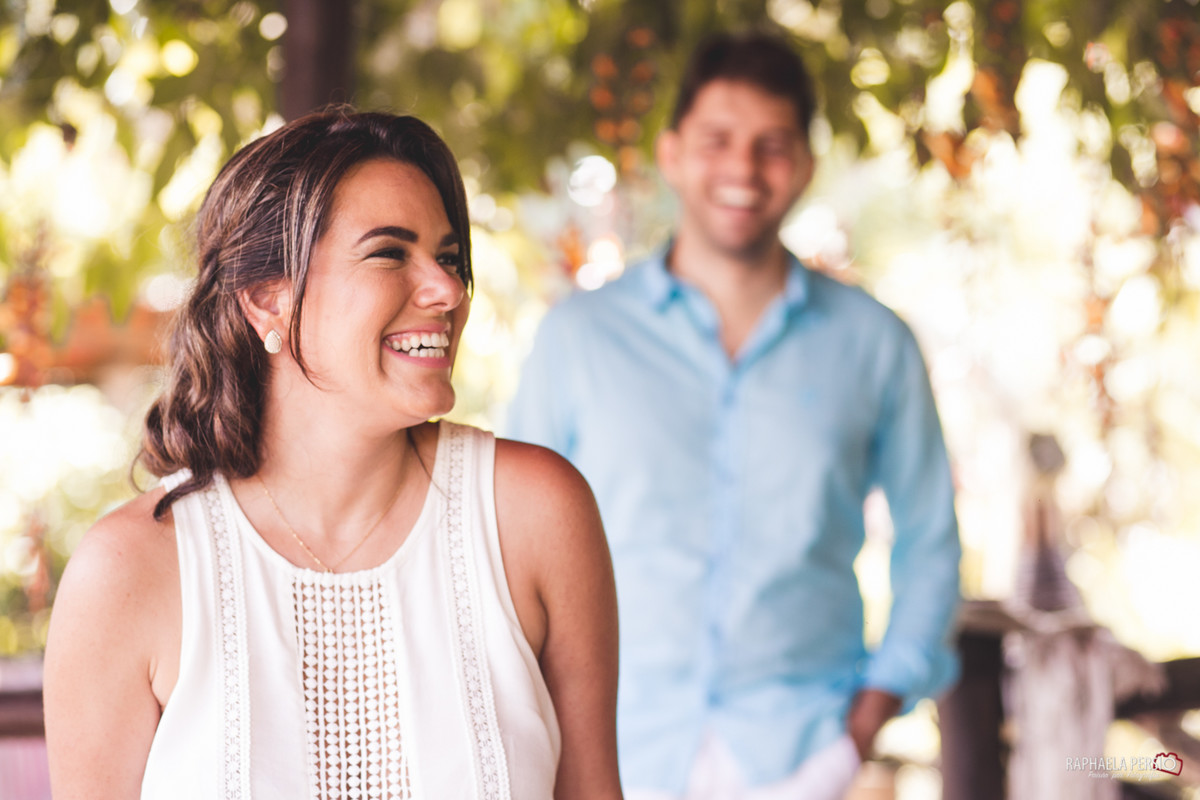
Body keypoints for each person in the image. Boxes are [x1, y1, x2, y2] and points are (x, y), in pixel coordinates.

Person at [43, 109, 623, 800]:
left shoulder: (534, 514)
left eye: (448, 258)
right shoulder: (127, 572)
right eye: (389, 253)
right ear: (267, 299)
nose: (448, 291)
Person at [507, 30, 961, 800]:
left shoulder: (876, 344)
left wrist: (863, 726)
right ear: (672, 152)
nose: (743, 170)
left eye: (771, 146)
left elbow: (930, 543)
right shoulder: (579, 337)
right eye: (718, 140)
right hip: (608, 756)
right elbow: (508, 546)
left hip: (804, 759)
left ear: (806, 165)